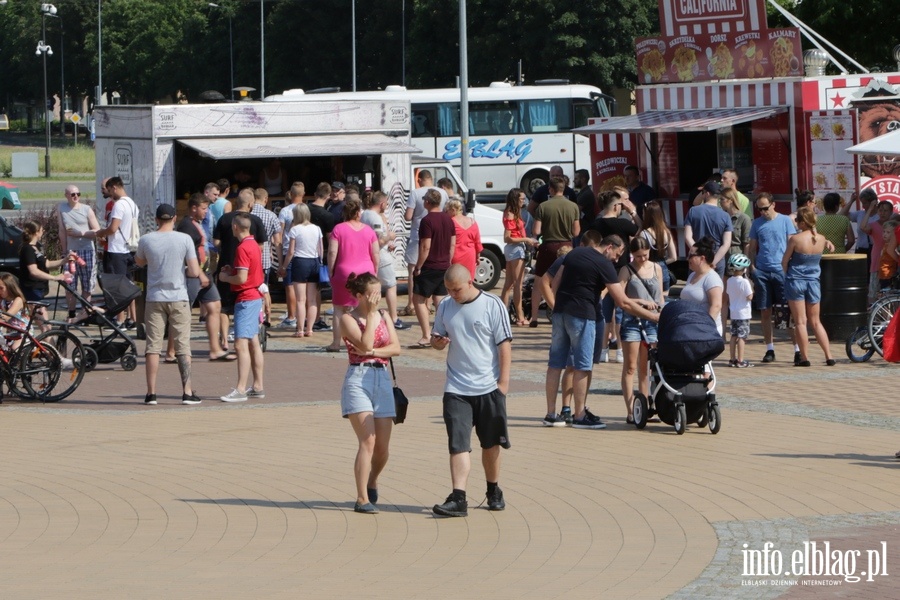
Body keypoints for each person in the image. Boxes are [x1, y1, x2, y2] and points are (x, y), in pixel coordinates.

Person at [542, 235, 659, 429]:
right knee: (583, 365)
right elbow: (622, 301)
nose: (616, 259)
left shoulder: (574, 253)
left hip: (560, 313)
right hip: (583, 315)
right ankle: (579, 415)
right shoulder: (603, 264)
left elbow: (555, 283)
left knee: (555, 363)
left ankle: (551, 414)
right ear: (609, 247)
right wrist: (652, 317)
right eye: (618, 254)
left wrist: (558, 305)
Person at [430, 264, 512, 517]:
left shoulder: (492, 304)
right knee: (458, 444)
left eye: (456, 290)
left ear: (470, 282)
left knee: (491, 444)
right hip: (456, 388)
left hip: (488, 387)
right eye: (448, 290)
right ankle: (458, 497)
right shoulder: (444, 305)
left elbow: (504, 345)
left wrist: (503, 385)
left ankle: (493, 489)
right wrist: (437, 342)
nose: (453, 294)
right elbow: (436, 340)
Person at [339, 272, 401, 514]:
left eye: (380, 293)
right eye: (372, 294)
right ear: (359, 296)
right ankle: (362, 498)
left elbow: (395, 348)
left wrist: (373, 350)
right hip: (358, 379)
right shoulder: (348, 319)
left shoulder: (385, 315)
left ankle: (372, 479)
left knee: (383, 447)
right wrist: (372, 317)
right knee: (368, 441)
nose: (378, 298)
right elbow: (363, 345)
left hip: (382, 378)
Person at [135, 204, 203, 406]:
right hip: (179, 297)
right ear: (174, 218)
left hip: (155, 297)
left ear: (156, 219)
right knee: (183, 346)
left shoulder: (147, 239)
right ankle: (187, 392)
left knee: (153, 346)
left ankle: (151, 393)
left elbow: (139, 262)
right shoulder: (184, 239)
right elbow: (193, 271)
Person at [172, 193, 231, 362]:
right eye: (204, 209)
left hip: (203, 273)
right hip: (192, 274)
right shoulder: (186, 226)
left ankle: (215, 349)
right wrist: (198, 273)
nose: (206, 212)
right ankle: (171, 351)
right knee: (182, 313)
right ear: (194, 208)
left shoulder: (196, 224)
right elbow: (186, 254)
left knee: (215, 306)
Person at [218, 212, 266, 402]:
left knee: (240, 344)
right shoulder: (254, 244)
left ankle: (240, 389)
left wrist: (225, 277)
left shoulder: (242, 247)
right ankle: (258, 385)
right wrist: (233, 271)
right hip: (255, 296)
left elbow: (242, 278)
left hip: (246, 298)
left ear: (235, 227)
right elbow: (247, 272)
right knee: (254, 342)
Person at [588, 189, 641, 360]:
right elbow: (639, 228)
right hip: (622, 269)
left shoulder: (596, 224)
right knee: (621, 309)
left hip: (601, 267)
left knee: (605, 309)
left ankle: (603, 349)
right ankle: (619, 348)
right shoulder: (622, 224)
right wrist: (632, 211)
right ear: (617, 206)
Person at [213, 189, 267, 347]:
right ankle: (244, 336)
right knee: (245, 304)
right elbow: (261, 246)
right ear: (251, 204)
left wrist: (226, 246)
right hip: (250, 270)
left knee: (224, 306)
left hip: (226, 265)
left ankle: (223, 340)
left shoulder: (224, 219)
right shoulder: (255, 220)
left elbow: (215, 242)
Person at [618, 237, 664, 423]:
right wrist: (641, 302)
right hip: (632, 320)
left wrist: (658, 308)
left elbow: (659, 296)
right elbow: (620, 299)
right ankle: (631, 410)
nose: (642, 259)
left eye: (644, 255)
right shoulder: (626, 270)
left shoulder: (656, 268)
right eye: (637, 257)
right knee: (630, 366)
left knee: (647, 367)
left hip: (652, 321)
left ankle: (644, 408)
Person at [782, 207, 835, 367]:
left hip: (796, 281)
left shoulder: (795, 239)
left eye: (797, 220)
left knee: (800, 322)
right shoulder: (821, 239)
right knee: (816, 321)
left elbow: (784, 261)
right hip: (813, 282)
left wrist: (786, 275)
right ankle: (829, 356)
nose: (796, 223)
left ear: (803, 222)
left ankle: (804, 358)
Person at [748, 192, 796, 363]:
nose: (762, 212)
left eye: (765, 208)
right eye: (759, 209)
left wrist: (789, 267)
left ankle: (797, 349)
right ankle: (770, 349)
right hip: (762, 271)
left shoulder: (785, 221)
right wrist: (752, 268)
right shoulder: (757, 224)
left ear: (773, 205)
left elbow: (792, 245)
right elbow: (752, 247)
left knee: (786, 311)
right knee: (765, 310)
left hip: (781, 271)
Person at [326, 198, 379, 352]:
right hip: (366, 271)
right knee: (367, 308)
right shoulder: (369, 230)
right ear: (358, 213)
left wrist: (331, 270)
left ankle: (336, 343)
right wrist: (375, 270)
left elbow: (332, 252)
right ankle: (366, 341)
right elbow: (375, 253)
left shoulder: (338, 229)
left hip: (345, 271)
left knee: (339, 308)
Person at [531, 177, 580, 327]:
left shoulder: (543, 207)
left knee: (540, 281)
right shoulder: (573, 207)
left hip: (548, 246)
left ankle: (534, 318)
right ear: (563, 189)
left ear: (550, 189)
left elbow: (536, 230)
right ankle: (563, 313)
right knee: (564, 281)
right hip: (566, 246)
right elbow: (576, 232)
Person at [411, 189, 456, 347]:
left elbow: (425, 246)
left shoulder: (427, 220)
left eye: (424, 200)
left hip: (429, 265)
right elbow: (452, 244)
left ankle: (426, 335)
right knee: (440, 300)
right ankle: (442, 332)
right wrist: (448, 261)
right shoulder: (448, 219)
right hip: (444, 264)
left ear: (428, 202)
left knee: (418, 299)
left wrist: (418, 266)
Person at [94, 176, 139, 328]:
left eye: (108, 189)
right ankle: (132, 318)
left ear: (114, 187)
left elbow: (113, 228)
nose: (108, 193)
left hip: (116, 250)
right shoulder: (132, 204)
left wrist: (101, 232)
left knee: (117, 287)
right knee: (128, 285)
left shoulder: (119, 205)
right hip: (128, 249)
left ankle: (119, 320)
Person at [403, 170, 448, 317]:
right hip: (438, 237)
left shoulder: (415, 193)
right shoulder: (443, 192)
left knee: (413, 272)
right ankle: (428, 305)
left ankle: (412, 304)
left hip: (418, 236)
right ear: (431, 179)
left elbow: (408, 216)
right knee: (430, 272)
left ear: (420, 179)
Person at [360, 191, 405, 330]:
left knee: (373, 287)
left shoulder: (364, 215)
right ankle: (394, 318)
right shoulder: (376, 218)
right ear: (381, 203)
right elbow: (379, 240)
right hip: (381, 256)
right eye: (386, 202)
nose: (387, 205)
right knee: (391, 285)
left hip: (368, 255)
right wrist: (390, 237)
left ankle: (372, 315)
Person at [57, 184, 100, 320]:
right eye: (72, 194)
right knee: (70, 283)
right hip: (71, 251)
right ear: (66, 195)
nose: (76, 196)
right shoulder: (61, 208)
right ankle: (71, 312)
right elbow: (62, 231)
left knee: (87, 283)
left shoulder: (86, 209)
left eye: (78, 194)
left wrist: (80, 233)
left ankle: (85, 313)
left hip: (87, 249)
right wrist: (64, 251)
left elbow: (96, 231)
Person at [280, 203, 323, 337]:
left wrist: (284, 266)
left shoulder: (295, 229)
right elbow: (320, 250)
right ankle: (310, 329)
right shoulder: (317, 228)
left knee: (300, 300)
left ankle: (299, 330)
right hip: (314, 262)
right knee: (312, 300)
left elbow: (291, 251)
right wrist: (320, 263)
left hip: (300, 262)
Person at [499, 188, 538, 326]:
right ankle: (520, 316)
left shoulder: (511, 212)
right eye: (521, 199)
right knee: (518, 284)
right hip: (515, 249)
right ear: (515, 199)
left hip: (513, 249)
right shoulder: (511, 214)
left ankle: (503, 313)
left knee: (508, 284)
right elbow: (507, 237)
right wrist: (526, 239)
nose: (523, 201)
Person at [18, 221, 68, 328]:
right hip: (31, 290)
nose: (43, 231)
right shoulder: (27, 249)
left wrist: (65, 260)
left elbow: (47, 264)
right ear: (36, 232)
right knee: (45, 327)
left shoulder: (36, 248)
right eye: (42, 229)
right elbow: (33, 271)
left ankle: (46, 344)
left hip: (39, 290)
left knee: (46, 326)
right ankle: (47, 344)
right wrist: (54, 277)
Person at [684, 181, 733, 278]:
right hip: (717, 259)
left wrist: (698, 253)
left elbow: (687, 237)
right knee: (716, 290)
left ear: (707, 193)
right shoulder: (725, 216)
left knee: (695, 289)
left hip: (697, 258)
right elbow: (726, 244)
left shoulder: (693, 211)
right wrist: (712, 262)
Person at [308, 182, 336, 333]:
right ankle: (316, 319)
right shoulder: (328, 216)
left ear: (315, 193)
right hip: (320, 253)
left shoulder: (305, 210)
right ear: (329, 196)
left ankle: (306, 318)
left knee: (303, 290)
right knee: (316, 290)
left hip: (301, 252)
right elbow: (331, 239)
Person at [681, 236, 724, 335]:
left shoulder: (712, 278)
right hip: (691, 328)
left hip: (706, 331)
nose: (688, 259)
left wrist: (705, 327)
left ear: (702, 258)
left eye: (691, 255)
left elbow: (716, 306)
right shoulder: (692, 275)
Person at [277, 182, 305, 326]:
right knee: (302, 286)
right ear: (303, 194)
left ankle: (291, 316)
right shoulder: (307, 209)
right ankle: (302, 316)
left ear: (291, 194)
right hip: (304, 250)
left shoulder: (285, 211)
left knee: (290, 286)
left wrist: (280, 259)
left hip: (288, 249)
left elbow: (280, 234)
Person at [638, 200, 677, 296]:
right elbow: (674, 257)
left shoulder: (644, 234)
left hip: (649, 272)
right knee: (663, 300)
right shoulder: (666, 232)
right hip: (664, 272)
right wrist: (661, 263)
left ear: (647, 215)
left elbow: (641, 255)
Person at [726, 253, 754, 368]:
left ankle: (732, 359)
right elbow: (750, 296)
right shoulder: (744, 282)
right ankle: (740, 360)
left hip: (733, 313)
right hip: (743, 314)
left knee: (733, 336)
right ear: (744, 269)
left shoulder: (729, 281)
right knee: (742, 337)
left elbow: (729, 294)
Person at [445, 198, 482, 279]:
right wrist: (478, 256)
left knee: (456, 281)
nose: (446, 213)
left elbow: (448, 242)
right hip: (470, 255)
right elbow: (477, 242)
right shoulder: (472, 221)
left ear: (453, 210)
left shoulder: (450, 222)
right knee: (468, 280)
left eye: (447, 211)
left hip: (456, 255)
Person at [0, 272, 29, 348]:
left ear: (9, 287)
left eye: (1, 288)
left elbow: (6, 317)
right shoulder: (3, 300)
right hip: (11, 334)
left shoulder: (18, 300)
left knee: (14, 348)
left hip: (22, 333)